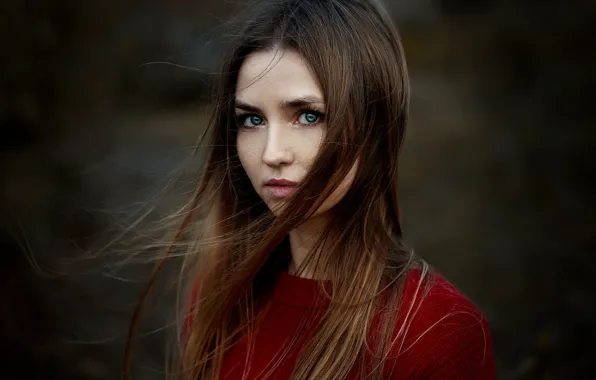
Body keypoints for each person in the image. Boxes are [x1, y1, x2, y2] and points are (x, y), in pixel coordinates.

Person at [127, 0, 496, 379]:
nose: (272, 154)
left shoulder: (437, 332)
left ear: (374, 122)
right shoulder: (220, 299)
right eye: (252, 119)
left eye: (308, 116)